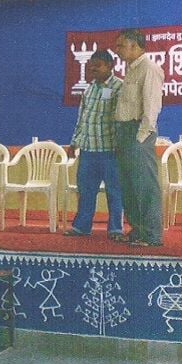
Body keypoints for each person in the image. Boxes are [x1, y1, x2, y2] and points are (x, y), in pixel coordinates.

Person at [63, 50, 124, 240]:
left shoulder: (119, 87)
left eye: (97, 65)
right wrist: (74, 143)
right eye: (91, 65)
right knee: (86, 191)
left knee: (115, 192)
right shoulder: (89, 89)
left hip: (110, 151)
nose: (93, 68)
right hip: (88, 150)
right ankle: (82, 227)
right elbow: (82, 119)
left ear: (110, 66)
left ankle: (115, 230)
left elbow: (121, 121)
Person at [113, 29, 165, 247]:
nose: (118, 50)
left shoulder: (149, 69)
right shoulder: (131, 70)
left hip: (138, 133)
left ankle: (152, 235)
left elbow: (152, 107)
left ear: (135, 46)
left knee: (144, 185)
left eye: (121, 46)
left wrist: (141, 137)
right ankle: (137, 230)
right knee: (129, 185)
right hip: (124, 132)